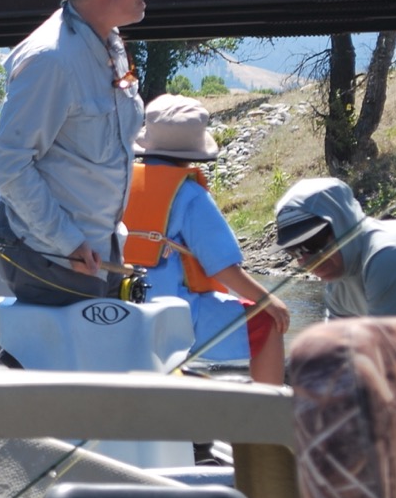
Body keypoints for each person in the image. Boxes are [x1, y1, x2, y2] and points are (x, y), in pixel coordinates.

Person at [0, 0, 168, 305]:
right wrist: (67, 241)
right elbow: (9, 164)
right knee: (77, 362)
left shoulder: (112, 45)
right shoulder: (50, 60)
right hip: (53, 258)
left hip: (95, 255)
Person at [121, 94, 289, 385]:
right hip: (175, 314)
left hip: (121, 305)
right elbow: (223, 268)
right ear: (193, 150)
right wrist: (268, 301)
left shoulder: (117, 183)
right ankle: (267, 422)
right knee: (268, 323)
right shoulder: (190, 195)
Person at [274, 177, 396, 331]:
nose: (306, 261)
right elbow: (336, 353)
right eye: (294, 251)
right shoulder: (339, 283)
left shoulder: (387, 257)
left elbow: (392, 357)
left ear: (343, 223)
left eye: (313, 244)